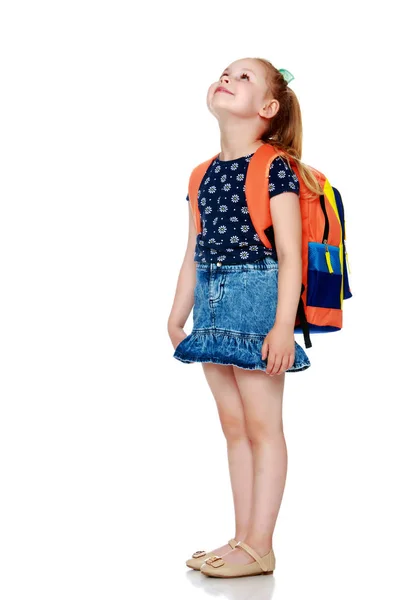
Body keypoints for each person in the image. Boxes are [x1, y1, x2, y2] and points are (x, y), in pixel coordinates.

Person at [167, 57, 320, 578]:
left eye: (244, 77)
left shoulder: (274, 166)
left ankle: (261, 545)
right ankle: (241, 538)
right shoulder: (200, 173)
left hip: (257, 299)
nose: (227, 78)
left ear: (267, 109)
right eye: (226, 72)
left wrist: (282, 326)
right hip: (210, 304)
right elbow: (193, 251)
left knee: (262, 427)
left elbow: (290, 256)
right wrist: (176, 315)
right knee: (233, 428)